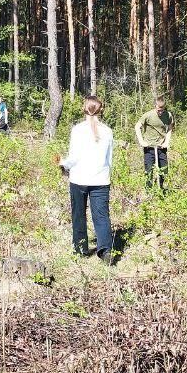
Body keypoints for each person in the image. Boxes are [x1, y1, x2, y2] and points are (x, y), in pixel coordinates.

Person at [58, 96, 115, 264]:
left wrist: (63, 163)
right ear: (100, 110)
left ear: (84, 109)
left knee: (78, 215)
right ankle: (105, 251)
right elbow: (109, 160)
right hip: (101, 179)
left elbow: (73, 157)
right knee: (101, 216)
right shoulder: (108, 131)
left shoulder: (77, 130)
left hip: (79, 178)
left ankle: (81, 249)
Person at [134, 96, 173, 192]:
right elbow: (137, 127)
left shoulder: (168, 115)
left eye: (162, 110)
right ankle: (149, 192)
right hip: (149, 148)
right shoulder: (148, 115)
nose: (160, 112)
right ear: (155, 106)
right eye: (158, 110)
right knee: (149, 171)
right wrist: (142, 141)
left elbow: (170, 128)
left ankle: (162, 190)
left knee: (164, 170)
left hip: (161, 147)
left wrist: (167, 142)